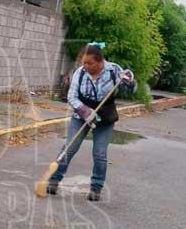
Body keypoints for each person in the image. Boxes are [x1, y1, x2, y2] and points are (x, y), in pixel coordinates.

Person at [47, 42, 135, 201]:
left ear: (100, 61)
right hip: (82, 115)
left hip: (105, 115)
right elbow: (72, 96)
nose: (86, 66)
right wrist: (85, 111)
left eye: (90, 63)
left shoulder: (114, 70)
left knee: (100, 153)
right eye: (84, 63)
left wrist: (130, 83)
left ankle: (96, 187)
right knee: (70, 148)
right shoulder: (80, 73)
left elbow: (130, 90)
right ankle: (53, 180)